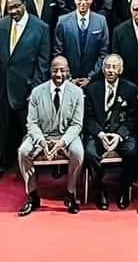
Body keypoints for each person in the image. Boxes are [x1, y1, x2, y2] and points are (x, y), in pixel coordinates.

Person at [0, 0, 51, 185]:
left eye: (17, 6)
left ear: (24, 5)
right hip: (1, 87)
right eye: (10, 8)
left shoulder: (41, 28)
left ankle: (29, 169)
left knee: (28, 132)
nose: (14, 11)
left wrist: (35, 90)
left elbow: (43, 63)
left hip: (27, 90)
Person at [17, 56, 85, 216]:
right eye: (55, 70)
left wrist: (62, 142)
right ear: (50, 71)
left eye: (62, 70)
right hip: (42, 135)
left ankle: (71, 192)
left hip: (66, 136)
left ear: (68, 71)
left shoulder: (77, 92)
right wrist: (42, 142)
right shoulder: (37, 92)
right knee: (23, 152)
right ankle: (32, 195)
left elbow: (77, 125)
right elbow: (32, 123)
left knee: (78, 153)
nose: (59, 74)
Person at [84, 55, 138, 210]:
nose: (110, 70)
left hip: (121, 134)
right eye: (107, 67)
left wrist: (119, 135)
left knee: (132, 151)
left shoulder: (130, 89)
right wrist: (101, 134)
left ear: (120, 70)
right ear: (103, 69)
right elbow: (88, 118)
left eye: (114, 67)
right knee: (90, 153)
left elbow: (134, 118)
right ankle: (100, 189)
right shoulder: (92, 89)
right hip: (99, 133)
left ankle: (124, 188)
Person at [54, 0, 109, 87]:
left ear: (91, 0)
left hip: (93, 82)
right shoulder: (63, 22)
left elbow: (103, 52)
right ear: (75, 0)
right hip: (68, 81)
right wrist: (69, 77)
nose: (83, 2)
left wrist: (90, 77)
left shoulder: (101, 21)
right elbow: (58, 52)